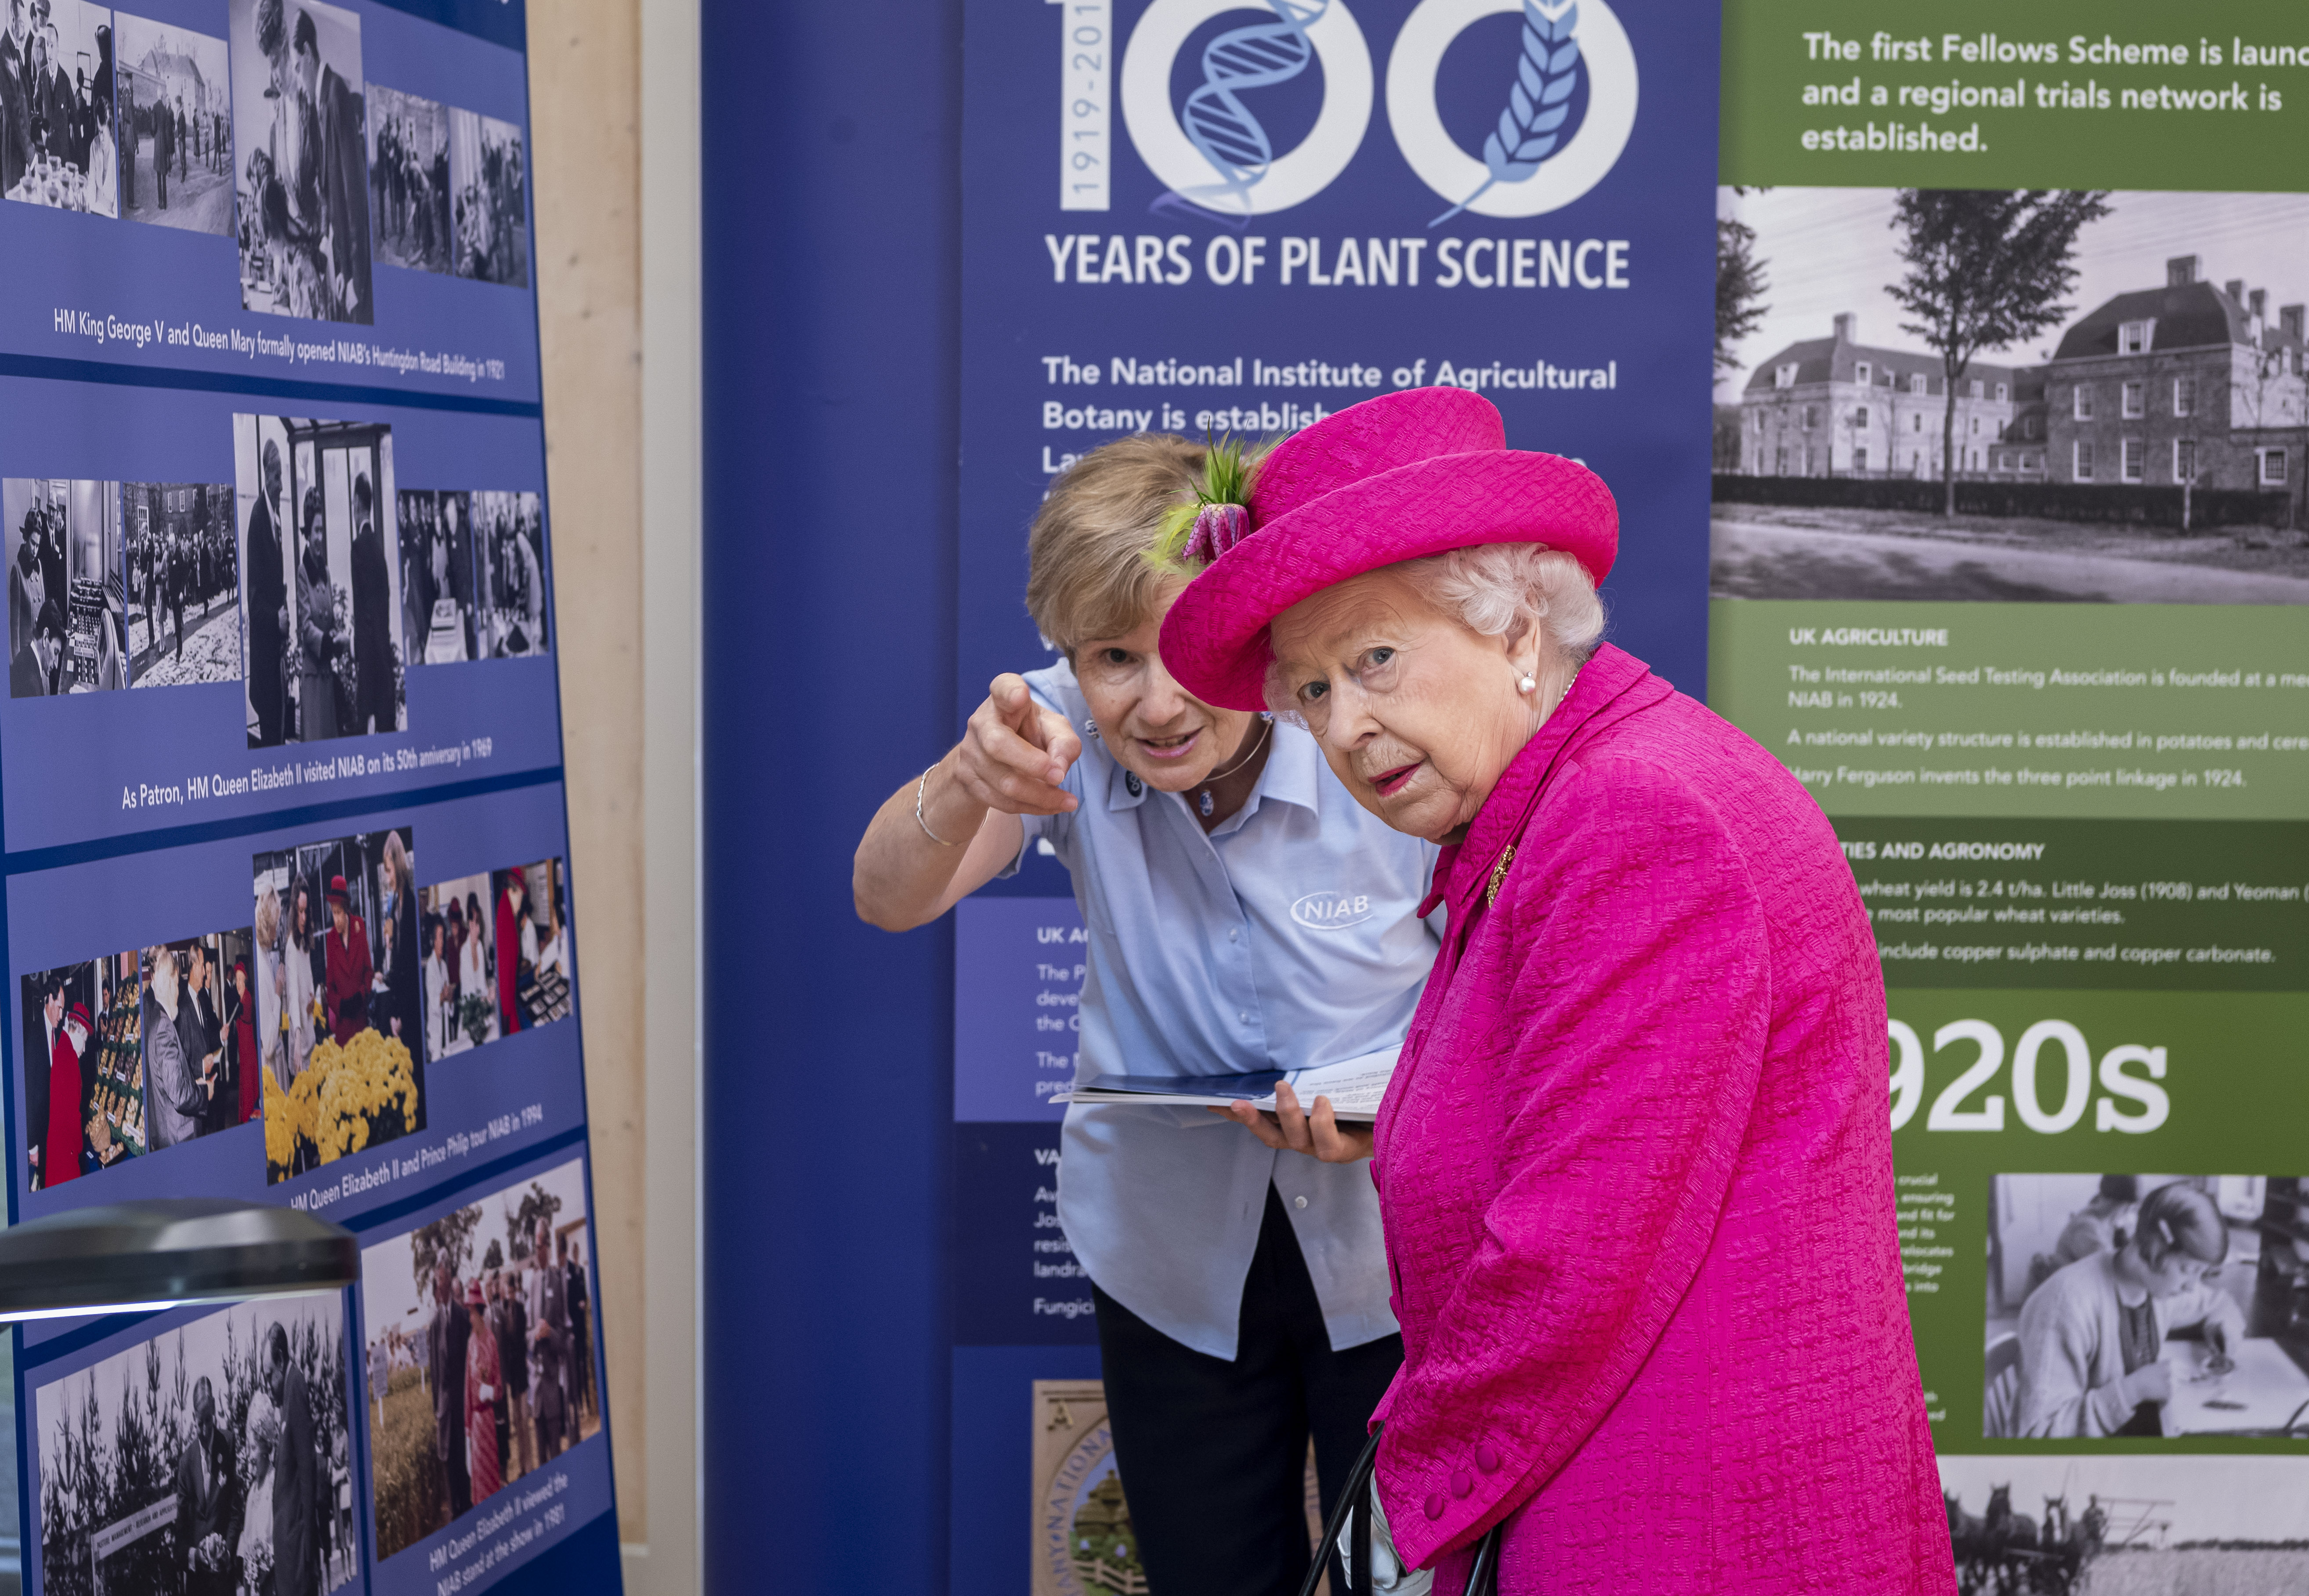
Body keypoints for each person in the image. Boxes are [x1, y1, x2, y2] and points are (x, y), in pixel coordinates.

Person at [1157, 387, 1954, 1591]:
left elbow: (1569, 1268)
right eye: (1312, 690)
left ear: (1519, 626)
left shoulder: (1632, 812)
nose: (1346, 725)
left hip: (1686, 1527)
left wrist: (1376, 1540)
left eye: (1375, 658)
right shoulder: (1559, 799)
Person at [853, 430, 1438, 1596]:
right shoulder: (1056, 731)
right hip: (1173, 1254)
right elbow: (885, 898)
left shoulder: (1363, 725)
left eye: (1189, 650)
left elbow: (1501, 964)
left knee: (1413, 1573)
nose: (1160, 701)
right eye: (1115, 658)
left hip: (1395, 1245)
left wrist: (1391, 1098)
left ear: (1254, 631)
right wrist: (970, 780)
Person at [2016, 1183, 2246, 1438]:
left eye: (2201, 1274)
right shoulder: (2066, 1304)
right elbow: (2038, 1436)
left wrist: (2224, 1331)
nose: (2193, 1287)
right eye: (2187, 1270)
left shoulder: (2159, 1289)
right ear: (2156, 1248)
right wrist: (2132, 1391)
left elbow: (2220, 1303)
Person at [291, 7, 371, 321]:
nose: (299, 80)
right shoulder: (322, 101)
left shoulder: (336, 94)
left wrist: (357, 281)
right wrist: (341, 266)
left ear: (308, 53)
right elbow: (334, 195)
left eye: (297, 68)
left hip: (358, 281)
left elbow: (354, 197)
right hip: (345, 267)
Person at [176, 1376, 240, 1596]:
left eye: (209, 1421)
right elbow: (181, 1534)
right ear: (193, 1417)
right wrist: (194, 1556)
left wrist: (228, 1554)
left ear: (214, 1409)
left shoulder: (228, 1444)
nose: (204, 1431)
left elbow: (234, 1511)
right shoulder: (186, 1464)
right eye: (199, 1423)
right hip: (198, 1586)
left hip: (224, 1579)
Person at [268, 1323, 318, 1596]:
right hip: (291, 1549)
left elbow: (308, 1467)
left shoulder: (295, 1385)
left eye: (269, 1375)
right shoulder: (287, 1389)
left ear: (280, 1357)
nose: (268, 1384)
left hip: (299, 1549)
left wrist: (308, 1545)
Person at [144, 945, 210, 1150]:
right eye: (178, 983)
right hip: (177, 1136)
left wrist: (194, 1083)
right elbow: (180, 1097)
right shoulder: (164, 1025)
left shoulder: (155, 1017)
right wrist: (205, 1092)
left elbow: (170, 1082)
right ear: (172, 981)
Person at [247, 440, 290, 742]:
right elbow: (254, 600)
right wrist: (278, 620)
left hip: (277, 663)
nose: (282, 486)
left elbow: (276, 587)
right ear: (266, 475)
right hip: (265, 670)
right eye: (277, 478)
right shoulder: (258, 519)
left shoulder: (275, 519)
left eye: (282, 477)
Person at [294, 489, 341, 739]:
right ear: (307, 533)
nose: (320, 537)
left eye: (323, 530)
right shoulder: (303, 573)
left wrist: (337, 635)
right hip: (313, 681)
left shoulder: (326, 572)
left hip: (328, 679)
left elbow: (330, 619)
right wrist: (329, 642)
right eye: (316, 531)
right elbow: (306, 626)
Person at [350, 474, 393, 732]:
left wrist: (357, 649)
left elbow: (361, 608)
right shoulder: (378, 549)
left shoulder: (358, 548)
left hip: (368, 657)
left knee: (361, 724)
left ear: (356, 503)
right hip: (383, 653)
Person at [428, 1262, 471, 1520]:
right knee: (450, 1470)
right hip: (446, 1410)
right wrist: (438, 1410)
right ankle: (457, 1513)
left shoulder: (462, 1316)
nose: (440, 1286)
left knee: (463, 1465)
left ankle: (468, 1508)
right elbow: (434, 1373)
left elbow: (468, 1362)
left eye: (443, 1280)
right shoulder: (434, 1325)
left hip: (462, 1407)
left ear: (449, 1282)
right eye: (437, 1282)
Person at [526, 1219, 568, 1462]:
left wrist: (549, 1333)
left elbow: (564, 1338)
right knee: (541, 1462)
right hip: (536, 1390)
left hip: (552, 1385)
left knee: (556, 1456)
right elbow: (527, 1335)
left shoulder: (557, 1280)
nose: (537, 1252)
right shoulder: (531, 1284)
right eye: (535, 1247)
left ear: (548, 1249)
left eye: (540, 1247)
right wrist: (534, 1335)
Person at [464, 1278, 503, 1501]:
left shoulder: (492, 1341)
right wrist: (468, 1431)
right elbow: (467, 1392)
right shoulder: (470, 1344)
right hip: (477, 1427)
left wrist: (489, 1392)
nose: (470, 1318)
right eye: (468, 1313)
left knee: (491, 1482)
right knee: (479, 1487)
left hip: (488, 1421)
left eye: (472, 1313)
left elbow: (499, 1387)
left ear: (480, 1313)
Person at [41, 1000, 87, 1186]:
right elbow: (72, 1117)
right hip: (65, 1154)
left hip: (56, 1148)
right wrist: (79, 1147)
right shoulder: (70, 1060)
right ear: (77, 1032)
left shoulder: (62, 1047)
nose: (84, 1049)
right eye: (84, 1041)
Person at [322, 874, 371, 1044]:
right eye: (333, 913)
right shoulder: (330, 940)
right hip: (343, 1030)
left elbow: (369, 971)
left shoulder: (360, 927)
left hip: (361, 1024)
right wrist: (341, 1006)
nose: (336, 919)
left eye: (339, 913)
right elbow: (330, 986)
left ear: (346, 909)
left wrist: (361, 997)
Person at [499, 1261, 532, 1478]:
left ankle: (528, 1465)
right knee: (517, 1422)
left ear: (517, 1292)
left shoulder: (522, 1311)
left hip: (523, 1374)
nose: (511, 1295)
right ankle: (521, 1466)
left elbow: (523, 1342)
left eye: (513, 1292)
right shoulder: (503, 1314)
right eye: (508, 1292)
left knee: (524, 1420)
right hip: (513, 1378)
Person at [283, 880, 318, 1078]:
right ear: (293, 912)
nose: (304, 918)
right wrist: (297, 1037)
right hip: (300, 1048)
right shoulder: (291, 948)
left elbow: (308, 981)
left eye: (306, 911)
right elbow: (293, 996)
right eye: (300, 912)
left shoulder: (304, 943)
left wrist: (312, 997)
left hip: (310, 1040)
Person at [494, 871, 525, 1035]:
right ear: (513, 891)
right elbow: (505, 968)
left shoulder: (505, 909)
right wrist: (508, 1018)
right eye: (521, 894)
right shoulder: (506, 916)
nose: (522, 900)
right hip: (508, 1008)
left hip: (509, 1004)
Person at [233, 961, 262, 1124]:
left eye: (241, 980)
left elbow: (244, 1016)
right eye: (236, 980)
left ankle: (248, 1122)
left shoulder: (247, 998)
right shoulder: (241, 998)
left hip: (249, 1053)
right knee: (246, 1087)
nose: (238, 983)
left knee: (249, 1089)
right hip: (243, 1054)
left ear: (246, 981)